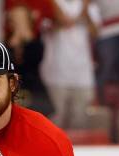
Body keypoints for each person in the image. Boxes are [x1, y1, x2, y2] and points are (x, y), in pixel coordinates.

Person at [40, 0, 99, 129]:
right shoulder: (50, 4)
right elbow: (57, 24)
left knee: (80, 121)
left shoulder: (88, 5)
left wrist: (86, 13)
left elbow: (96, 32)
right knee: (55, 122)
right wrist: (79, 14)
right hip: (56, 73)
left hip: (82, 73)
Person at [5, 4, 53, 116]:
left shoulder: (36, 44)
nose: (19, 24)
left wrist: (26, 33)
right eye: (16, 20)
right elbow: (7, 63)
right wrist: (16, 38)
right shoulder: (5, 45)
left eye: (22, 20)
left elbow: (35, 58)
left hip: (34, 90)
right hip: (12, 90)